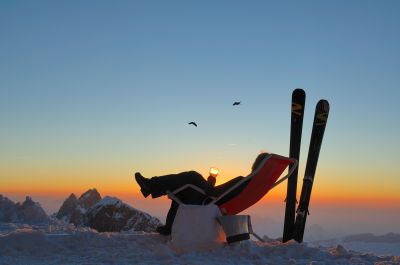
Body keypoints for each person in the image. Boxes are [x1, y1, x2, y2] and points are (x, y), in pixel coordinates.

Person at [135, 152, 269, 235]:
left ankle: (150, 185)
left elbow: (213, 193)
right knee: (182, 191)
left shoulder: (242, 180)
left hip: (209, 200)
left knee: (192, 176)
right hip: (212, 199)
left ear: (256, 165)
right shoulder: (253, 185)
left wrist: (211, 180)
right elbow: (221, 194)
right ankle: (169, 227)